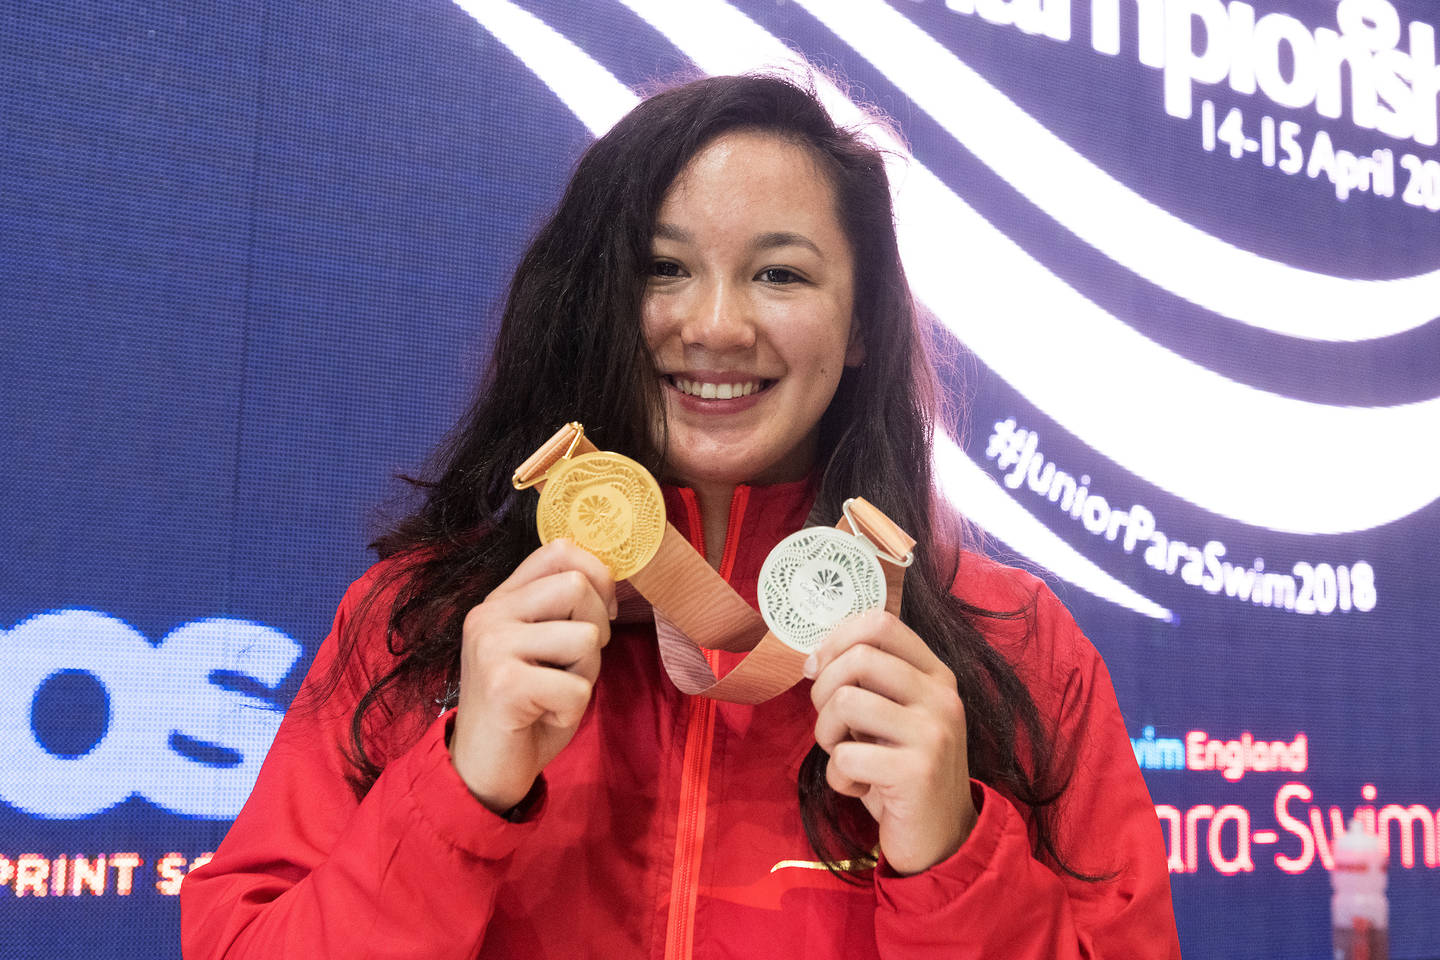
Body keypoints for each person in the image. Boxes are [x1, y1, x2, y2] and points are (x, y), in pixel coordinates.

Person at [180, 73, 1181, 958]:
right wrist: (458, 790)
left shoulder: (1008, 642)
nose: (715, 326)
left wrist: (953, 858)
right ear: (594, 302)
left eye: (780, 274)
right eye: (663, 268)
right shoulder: (429, 625)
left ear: (863, 323)